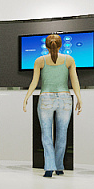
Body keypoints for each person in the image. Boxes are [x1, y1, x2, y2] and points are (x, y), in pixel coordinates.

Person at [22, 33, 83, 178]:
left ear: (46, 46)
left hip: (45, 99)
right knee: (62, 134)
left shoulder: (39, 61)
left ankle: (49, 168)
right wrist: (79, 98)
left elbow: (34, 82)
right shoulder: (69, 60)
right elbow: (75, 81)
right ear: (61, 45)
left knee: (46, 135)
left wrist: (27, 97)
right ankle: (59, 166)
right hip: (65, 98)